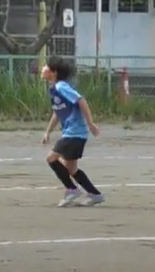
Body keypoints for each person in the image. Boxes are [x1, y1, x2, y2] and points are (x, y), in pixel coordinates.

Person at [41, 56, 105, 207]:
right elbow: (57, 113)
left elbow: (81, 100)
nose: (43, 68)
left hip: (75, 133)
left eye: (46, 66)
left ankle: (72, 189)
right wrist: (47, 132)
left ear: (54, 72)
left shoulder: (61, 87)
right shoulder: (54, 89)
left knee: (51, 158)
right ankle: (96, 195)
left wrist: (90, 124)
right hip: (72, 133)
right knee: (71, 168)